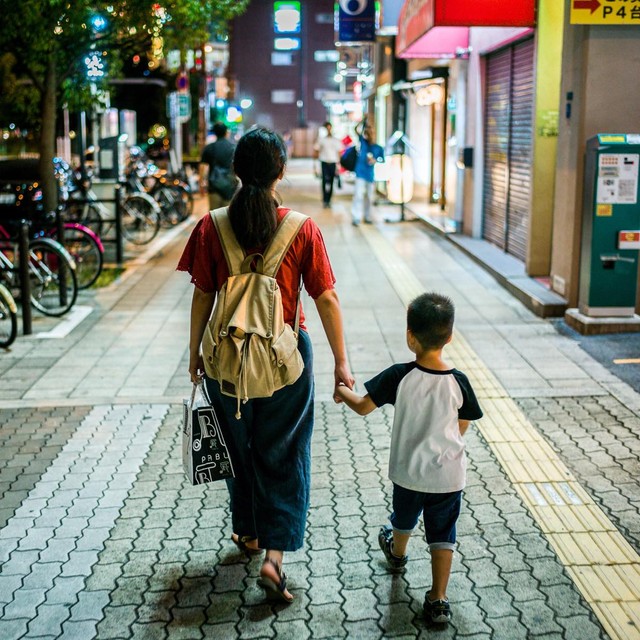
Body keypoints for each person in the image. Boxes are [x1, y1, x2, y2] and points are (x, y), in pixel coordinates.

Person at [178, 126, 354, 604]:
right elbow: (327, 298)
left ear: (235, 171)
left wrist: (194, 352)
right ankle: (274, 557)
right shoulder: (301, 228)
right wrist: (342, 363)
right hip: (286, 364)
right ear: (282, 171)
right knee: (284, 452)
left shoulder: (211, 226)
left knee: (239, 450)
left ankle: (249, 532)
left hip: (225, 365)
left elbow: (202, 294)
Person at [333, 292, 483, 625]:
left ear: (410, 337)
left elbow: (361, 406)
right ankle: (438, 598)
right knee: (444, 534)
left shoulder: (400, 375)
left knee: (403, 518)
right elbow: (465, 421)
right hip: (448, 476)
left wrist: (340, 389)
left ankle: (397, 554)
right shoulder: (459, 380)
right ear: (450, 336)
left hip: (409, 473)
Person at [351, 119, 384, 226]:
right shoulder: (363, 142)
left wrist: (375, 160)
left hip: (370, 175)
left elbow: (382, 159)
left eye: (371, 133)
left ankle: (367, 215)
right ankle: (356, 217)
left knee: (370, 197)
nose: (370, 135)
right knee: (358, 195)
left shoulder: (378, 148)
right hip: (360, 173)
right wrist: (363, 121)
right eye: (367, 133)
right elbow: (355, 129)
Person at [199, 122, 237, 210]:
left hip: (214, 186)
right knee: (228, 215)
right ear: (226, 133)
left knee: (214, 216)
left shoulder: (209, 148)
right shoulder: (233, 147)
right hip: (230, 186)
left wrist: (201, 184)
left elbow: (203, 168)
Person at [314, 122, 342, 207]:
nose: (329, 130)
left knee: (332, 181)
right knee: (324, 181)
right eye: (327, 128)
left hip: (333, 163)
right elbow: (316, 150)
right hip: (324, 162)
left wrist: (338, 165)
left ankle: (329, 199)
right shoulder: (322, 140)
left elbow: (339, 153)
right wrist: (315, 165)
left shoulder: (336, 140)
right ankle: (325, 199)